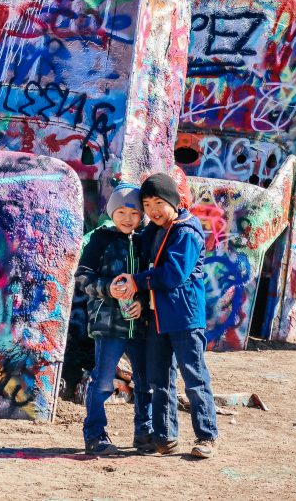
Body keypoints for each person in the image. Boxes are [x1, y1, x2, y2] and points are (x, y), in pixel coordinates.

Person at [111, 172, 219, 459]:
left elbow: (173, 275)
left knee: (194, 379)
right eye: (147, 205)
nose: (153, 210)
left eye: (158, 202)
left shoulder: (186, 232)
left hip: (184, 319)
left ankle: (206, 436)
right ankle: (165, 437)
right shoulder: (154, 231)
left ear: (173, 201)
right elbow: (133, 245)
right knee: (160, 381)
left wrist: (137, 281)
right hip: (157, 320)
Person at [76, 183, 154, 455]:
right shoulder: (101, 239)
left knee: (146, 380)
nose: (127, 218)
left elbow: (150, 279)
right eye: (120, 211)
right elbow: (83, 276)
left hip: (140, 325)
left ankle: (144, 433)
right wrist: (107, 288)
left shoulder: (145, 240)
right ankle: (95, 434)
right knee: (103, 380)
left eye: (133, 213)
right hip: (108, 324)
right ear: (111, 212)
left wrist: (142, 303)